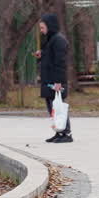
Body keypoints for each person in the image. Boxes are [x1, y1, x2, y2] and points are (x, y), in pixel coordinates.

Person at [35, 13, 72, 143]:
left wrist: (58, 82)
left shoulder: (59, 40)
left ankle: (66, 134)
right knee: (53, 108)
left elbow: (60, 63)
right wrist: (42, 54)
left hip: (56, 81)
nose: (41, 31)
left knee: (59, 107)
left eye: (42, 28)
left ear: (50, 26)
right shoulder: (51, 40)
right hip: (49, 80)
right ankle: (58, 131)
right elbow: (50, 56)